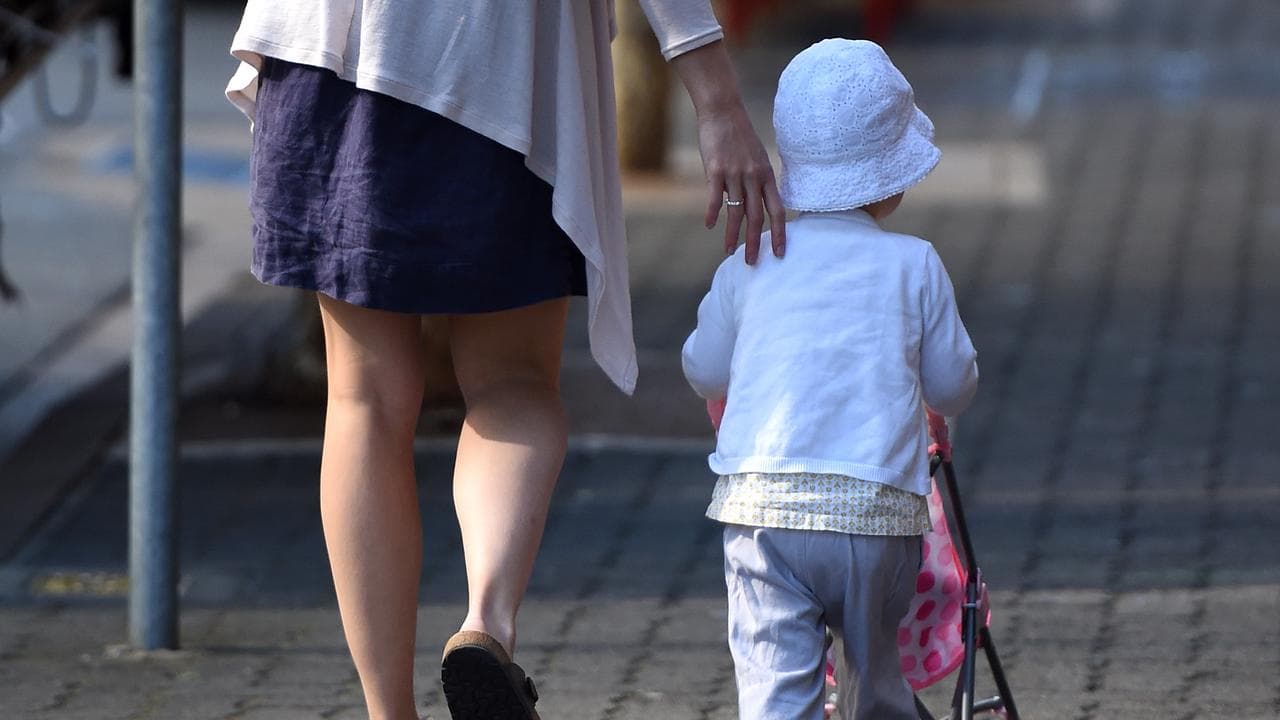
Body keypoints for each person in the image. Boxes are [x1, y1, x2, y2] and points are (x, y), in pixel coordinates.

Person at [223, 3, 786, 720]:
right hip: (498, 64)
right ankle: (486, 622)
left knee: (364, 399)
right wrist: (716, 99)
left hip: (330, 50)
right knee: (512, 383)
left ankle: (388, 713)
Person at [681, 39, 979, 720]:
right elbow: (953, 384)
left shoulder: (751, 261)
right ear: (894, 177)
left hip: (763, 513)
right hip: (877, 515)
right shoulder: (916, 264)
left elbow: (702, 367)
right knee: (874, 676)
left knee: (775, 687)